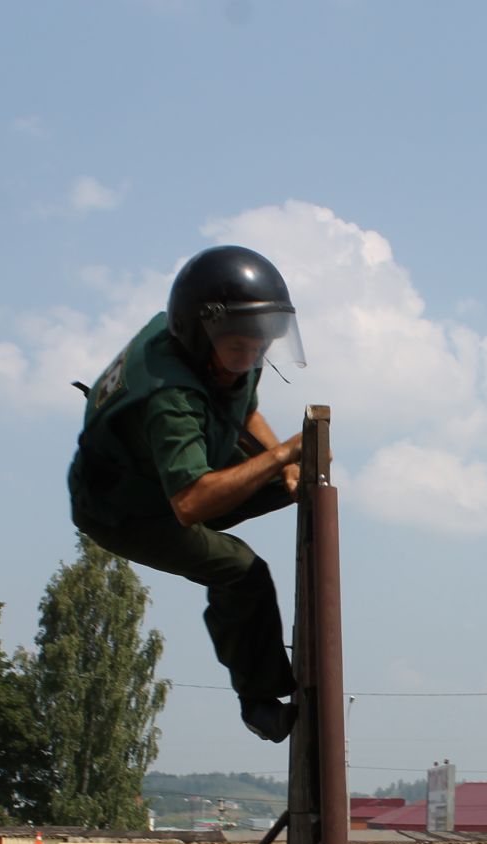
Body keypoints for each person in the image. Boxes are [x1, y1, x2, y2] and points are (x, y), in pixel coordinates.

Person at [67, 245, 309, 744]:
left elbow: (241, 411)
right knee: (243, 572)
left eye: (261, 347)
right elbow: (192, 504)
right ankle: (259, 700)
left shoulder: (231, 347)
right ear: (202, 338)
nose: (252, 359)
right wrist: (282, 455)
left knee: (295, 480)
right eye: (241, 349)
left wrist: (287, 467)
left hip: (174, 475)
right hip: (128, 510)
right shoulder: (170, 398)